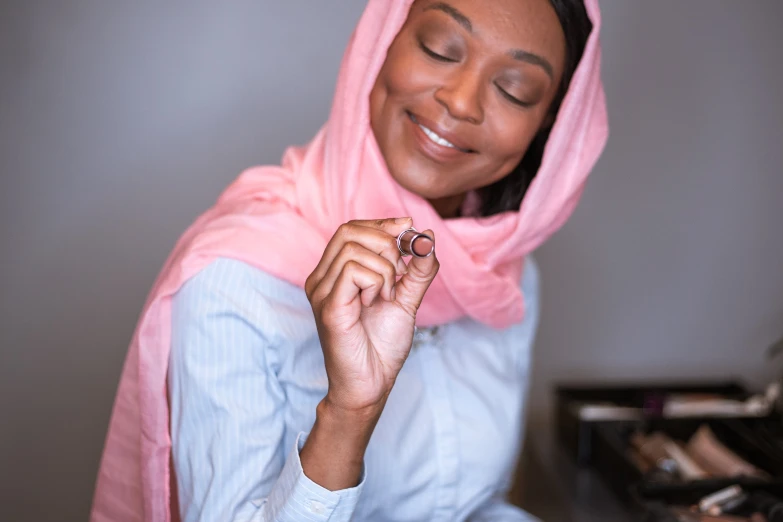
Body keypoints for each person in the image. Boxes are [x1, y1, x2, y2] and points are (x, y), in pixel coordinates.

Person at [90, 0, 608, 520]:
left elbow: (469, 508)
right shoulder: (231, 283)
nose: (461, 101)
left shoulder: (503, 277)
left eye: (514, 88)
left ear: (550, 126)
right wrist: (347, 413)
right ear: (380, 41)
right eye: (440, 48)